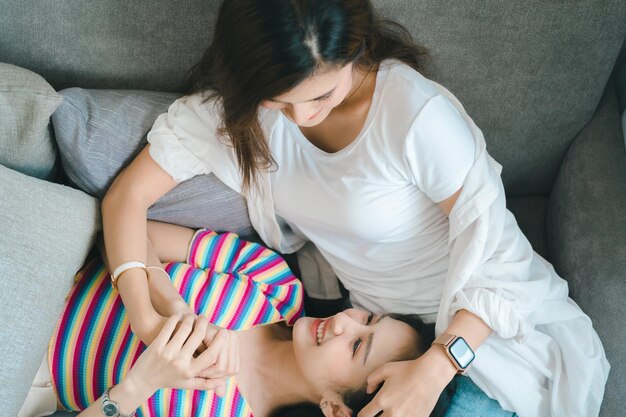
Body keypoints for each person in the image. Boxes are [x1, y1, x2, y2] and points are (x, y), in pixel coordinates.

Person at [100, 1, 609, 416]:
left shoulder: (414, 118)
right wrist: (148, 318)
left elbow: (500, 256)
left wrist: (438, 365)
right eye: (280, 99)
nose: (301, 117)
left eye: (321, 94)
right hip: (377, 338)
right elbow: (127, 197)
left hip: (491, 331)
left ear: (356, 46)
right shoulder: (245, 115)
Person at [19, 221, 453, 417]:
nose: (344, 322)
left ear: (336, 411)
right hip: (54, 259)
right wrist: (165, 311)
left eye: (358, 345)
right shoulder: (273, 285)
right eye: (368, 318)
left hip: (28, 374)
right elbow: (139, 230)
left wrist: (142, 384)